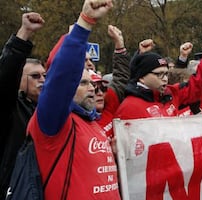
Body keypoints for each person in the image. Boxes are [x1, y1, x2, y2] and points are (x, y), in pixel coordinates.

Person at [27, 1, 120, 199]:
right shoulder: (54, 122)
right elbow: (62, 77)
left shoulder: (91, 121)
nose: (92, 87)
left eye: (91, 83)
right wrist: (84, 23)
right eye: (82, 83)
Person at [115, 33, 202, 119]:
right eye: (159, 74)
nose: (165, 78)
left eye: (166, 73)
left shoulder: (171, 94)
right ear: (141, 77)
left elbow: (200, 85)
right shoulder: (129, 107)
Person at [0, 12, 44, 199]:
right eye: (34, 76)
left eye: (44, 75)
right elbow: (6, 75)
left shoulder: (47, 112)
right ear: (19, 81)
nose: (42, 80)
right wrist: (24, 33)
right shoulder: (10, 109)